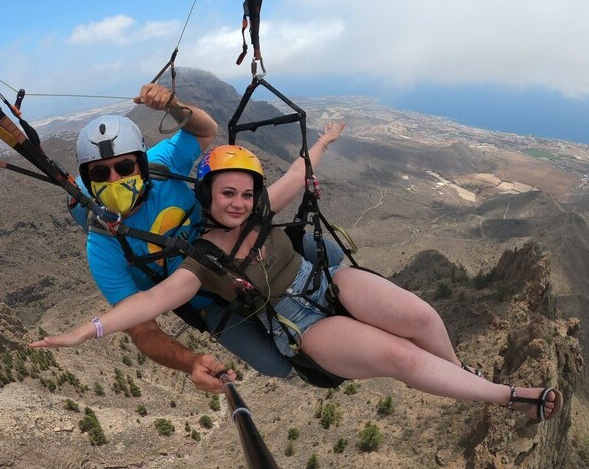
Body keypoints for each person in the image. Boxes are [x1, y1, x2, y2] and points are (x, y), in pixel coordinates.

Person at [33, 120, 563, 422]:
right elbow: (148, 305)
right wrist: (90, 329)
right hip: (301, 324)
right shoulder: (199, 263)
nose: (239, 203)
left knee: (421, 316)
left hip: (327, 282)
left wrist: (325, 142)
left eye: (245, 194)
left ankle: (461, 373)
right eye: (227, 195)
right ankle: (508, 397)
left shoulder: (260, 212)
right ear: (206, 198)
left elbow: (294, 173)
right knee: (398, 355)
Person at [64, 82, 314, 394]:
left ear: (140, 164)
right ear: (89, 180)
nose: (115, 180)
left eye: (125, 167)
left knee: (327, 256)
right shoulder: (103, 247)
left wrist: (174, 106)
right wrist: (190, 361)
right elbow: (142, 328)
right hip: (211, 303)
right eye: (100, 175)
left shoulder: (161, 163)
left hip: (244, 244)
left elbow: (204, 130)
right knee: (276, 365)